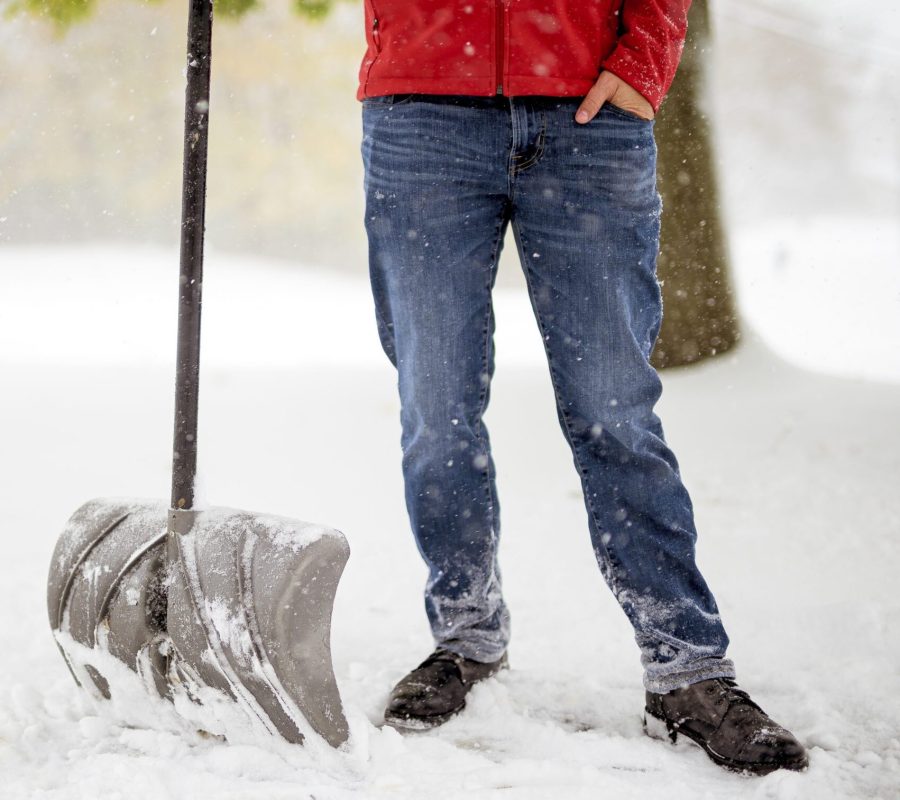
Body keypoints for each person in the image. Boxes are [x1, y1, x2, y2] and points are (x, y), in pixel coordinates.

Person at [357, 0, 807, 776]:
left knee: (614, 413)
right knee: (436, 410)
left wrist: (644, 62)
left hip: (587, 116)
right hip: (423, 115)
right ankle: (465, 636)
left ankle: (686, 670)